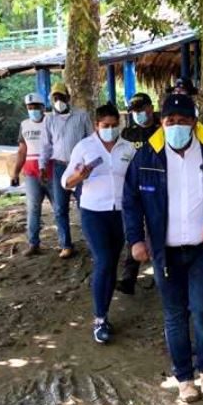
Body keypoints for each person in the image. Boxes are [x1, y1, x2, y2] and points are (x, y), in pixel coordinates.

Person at [123, 93, 203, 403]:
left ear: (194, 123)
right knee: (174, 315)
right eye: (170, 121)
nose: (177, 126)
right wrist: (135, 240)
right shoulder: (146, 157)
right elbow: (131, 201)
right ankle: (184, 377)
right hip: (165, 252)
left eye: (183, 121)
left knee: (202, 311)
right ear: (162, 123)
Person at [62, 103, 135, 344]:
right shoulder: (84, 147)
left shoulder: (128, 148)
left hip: (120, 213)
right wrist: (79, 176)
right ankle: (99, 319)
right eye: (106, 126)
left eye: (115, 126)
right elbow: (66, 182)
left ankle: (104, 312)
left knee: (112, 262)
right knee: (103, 260)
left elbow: (134, 179)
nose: (111, 130)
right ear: (96, 125)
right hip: (93, 212)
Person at [38, 80, 91, 259]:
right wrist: (42, 165)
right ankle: (66, 244)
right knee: (60, 208)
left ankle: (92, 240)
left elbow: (90, 139)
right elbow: (46, 145)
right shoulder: (49, 119)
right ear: (51, 101)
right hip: (59, 167)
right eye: (55, 98)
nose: (58, 100)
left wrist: (90, 163)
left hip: (80, 167)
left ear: (68, 97)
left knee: (85, 205)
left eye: (61, 96)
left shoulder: (82, 115)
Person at [115, 92, 160, 294]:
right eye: (134, 111)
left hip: (159, 187)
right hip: (134, 187)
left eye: (141, 110)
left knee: (157, 230)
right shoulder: (128, 133)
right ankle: (128, 278)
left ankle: (161, 273)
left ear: (150, 108)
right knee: (133, 233)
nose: (138, 114)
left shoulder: (164, 128)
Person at [13, 93, 54, 256]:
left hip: (51, 170)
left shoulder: (51, 122)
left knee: (58, 208)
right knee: (33, 209)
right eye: (30, 108)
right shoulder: (24, 125)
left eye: (36, 107)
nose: (33, 110)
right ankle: (33, 243)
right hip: (30, 172)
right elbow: (22, 150)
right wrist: (15, 172)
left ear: (43, 108)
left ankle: (66, 243)